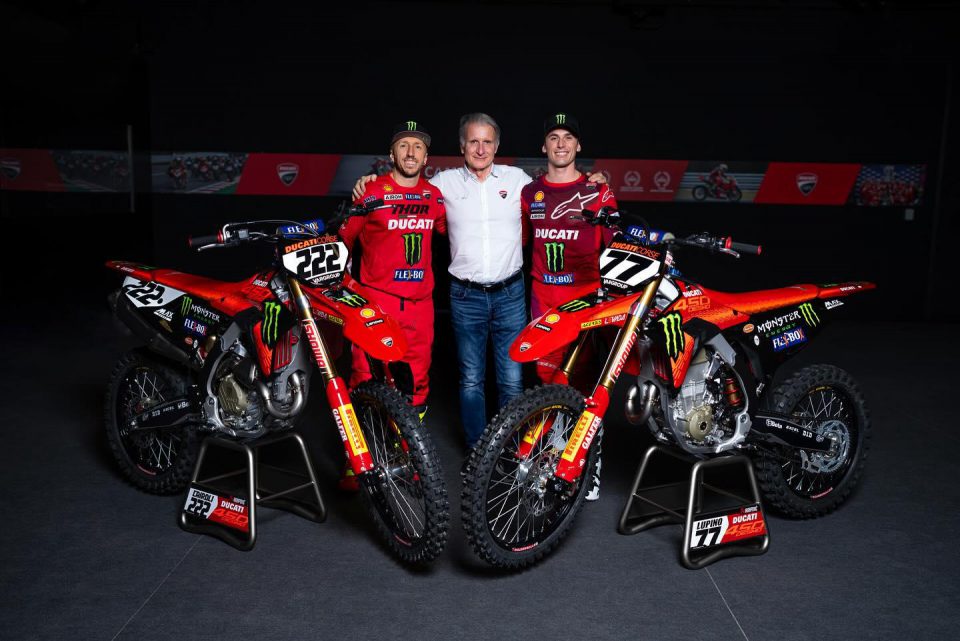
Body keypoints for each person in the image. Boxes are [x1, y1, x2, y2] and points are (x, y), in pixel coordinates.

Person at [354, 113, 605, 450]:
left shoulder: (519, 181)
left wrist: (594, 180)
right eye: (473, 141)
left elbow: (554, 194)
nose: (481, 148)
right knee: (471, 379)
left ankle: (509, 452)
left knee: (511, 380)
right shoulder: (442, 185)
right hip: (465, 295)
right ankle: (477, 452)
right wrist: (370, 180)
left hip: (510, 293)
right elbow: (407, 189)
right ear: (462, 146)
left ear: (497, 146)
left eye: (487, 142)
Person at [338, 120, 446, 486]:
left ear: (426, 157)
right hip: (376, 302)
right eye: (403, 145)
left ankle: (408, 454)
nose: (411, 152)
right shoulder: (370, 192)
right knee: (363, 378)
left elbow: (460, 233)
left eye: (418, 147)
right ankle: (357, 459)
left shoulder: (435, 197)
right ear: (391, 154)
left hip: (420, 305)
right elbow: (342, 244)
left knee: (416, 383)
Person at [521, 112, 617, 501]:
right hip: (544, 299)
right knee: (550, 383)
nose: (561, 144)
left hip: (587, 300)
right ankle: (557, 457)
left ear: (578, 146)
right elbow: (520, 242)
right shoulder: (529, 193)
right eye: (553, 137)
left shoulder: (598, 192)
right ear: (544, 146)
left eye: (568, 137)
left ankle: (589, 465)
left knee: (588, 387)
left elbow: (616, 244)